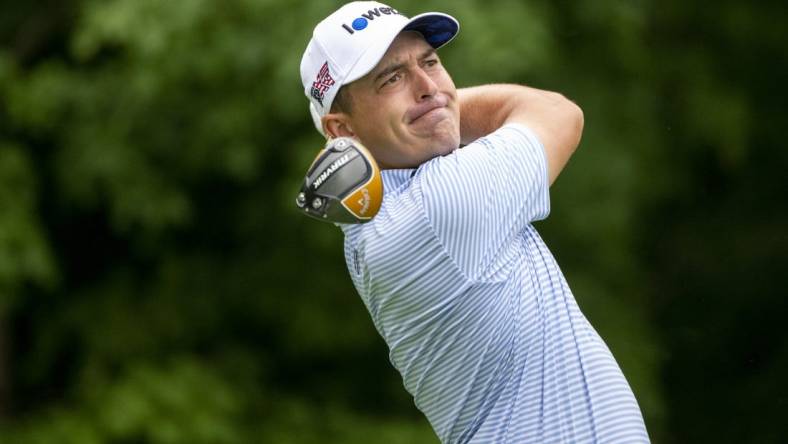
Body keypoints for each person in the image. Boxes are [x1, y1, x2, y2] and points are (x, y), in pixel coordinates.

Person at [299, 2, 650, 443]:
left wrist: (430, 107)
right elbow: (560, 113)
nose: (428, 86)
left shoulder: (379, 219)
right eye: (392, 78)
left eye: (430, 63)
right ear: (342, 129)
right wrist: (442, 105)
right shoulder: (441, 206)